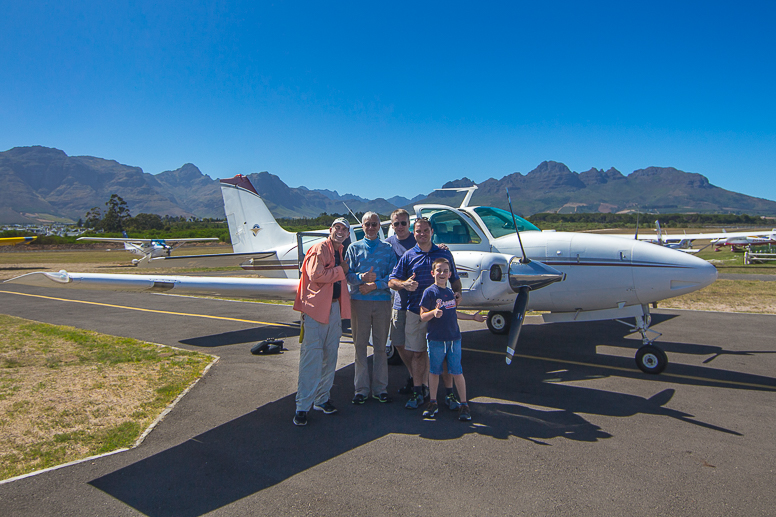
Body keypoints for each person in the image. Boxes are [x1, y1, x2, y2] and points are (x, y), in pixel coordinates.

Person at [389, 217, 462, 410]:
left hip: (442, 314)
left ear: (432, 232)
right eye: (418, 231)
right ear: (414, 233)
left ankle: (449, 394)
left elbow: (455, 278)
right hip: (416, 312)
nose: (422, 234)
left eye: (425, 230)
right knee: (418, 354)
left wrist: (458, 293)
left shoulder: (444, 253)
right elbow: (392, 281)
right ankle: (418, 392)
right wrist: (404, 284)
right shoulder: (409, 256)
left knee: (444, 355)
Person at [291, 217, 352, 426]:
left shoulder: (340, 251)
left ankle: (321, 399)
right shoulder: (319, 248)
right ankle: (302, 406)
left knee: (331, 355)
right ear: (330, 229)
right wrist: (341, 270)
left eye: (344, 229)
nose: (340, 231)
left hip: (333, 308)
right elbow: (316, 275)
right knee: (311, 358)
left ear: (348, 233)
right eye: (337, 228)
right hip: (316, 311)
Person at [419, 257, 486, 421]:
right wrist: (433, 313)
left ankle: (464, 404)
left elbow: (453, 312)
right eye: (439, 270)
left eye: (445, 271)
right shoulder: (429, 292)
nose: (442, 273)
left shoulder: (450, 293)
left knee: (457, 371)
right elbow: (422, 316)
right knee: (434, 372)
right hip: (436, 340)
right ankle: (433, 402)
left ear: (449, 274)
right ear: (433, 272)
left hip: (454, 339)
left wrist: (472, 318)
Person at [345, 211, 397, 405]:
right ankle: (361, 389)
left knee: (380, 347)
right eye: (367, 224)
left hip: (382, 302)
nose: (371, 228)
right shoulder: (353, 248)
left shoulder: (388, 249)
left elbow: (393, 276)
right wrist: (361, 278)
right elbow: (348, 275)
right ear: (362, 226)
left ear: (379, 227)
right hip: (359, 302)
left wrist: (376, 285)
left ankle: (380, 389)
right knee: (359, 347)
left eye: (374, 224)